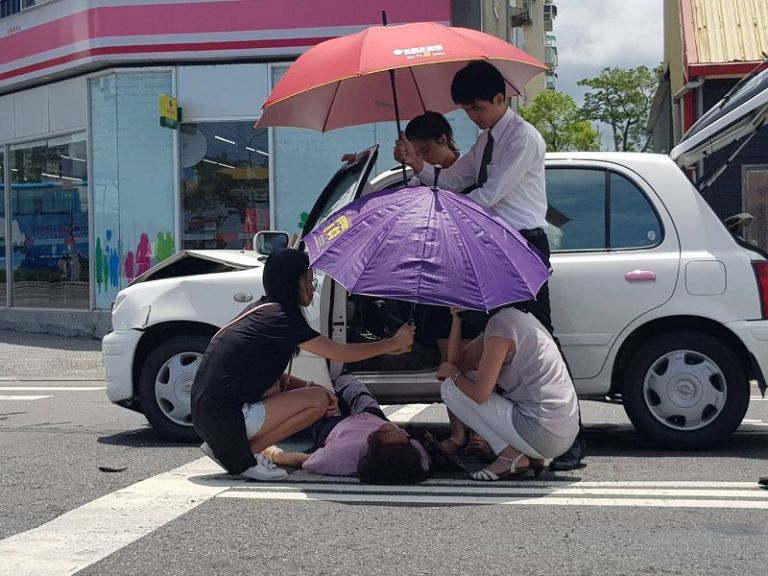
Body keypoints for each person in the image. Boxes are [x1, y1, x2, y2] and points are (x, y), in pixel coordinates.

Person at [394, 60, 587, 470]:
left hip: (521, 245)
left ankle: (569, 441)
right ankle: (514, 435)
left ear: (502, 98)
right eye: (466, 110)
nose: (472, 117)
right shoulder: (487, 140)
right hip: (493, 245)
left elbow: (489, 195)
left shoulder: (522, 139)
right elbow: (454, 177)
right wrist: (416, 166)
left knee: (539, 337)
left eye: (477, 108)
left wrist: (446, 210)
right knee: (501, 340)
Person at [191, 248, 415, 481]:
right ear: (291, 283)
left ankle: (227, 448)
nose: (313, 286)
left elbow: (277, 380)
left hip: (211, 416)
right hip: (225, 416)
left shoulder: (264, 310)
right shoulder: (281, 319)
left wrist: (319, 390)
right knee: (317, 402)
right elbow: (338, 352)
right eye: (308, 279)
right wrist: (391, 344)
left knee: (320, 395)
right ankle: (242, 458)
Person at [437, 305, 579, 481]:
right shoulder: (515, 318)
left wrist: (455, 375)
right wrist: (456, 320)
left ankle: (510, 456)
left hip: (544, 433)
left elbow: (479, 393)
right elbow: (458, 362)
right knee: (465, 377)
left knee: (450, 389)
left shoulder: (500, 328)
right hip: (562, 430)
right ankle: (531, 456)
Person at [262, 373, 430, 484]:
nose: (392, 427)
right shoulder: (416, 454)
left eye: (386, 433)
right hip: (371, 418)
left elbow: (302, 460)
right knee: (349, 384)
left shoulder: (340, 455)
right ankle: (336, 377)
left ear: (370, 448)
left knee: (317, 400)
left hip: (334, 428)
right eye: (400, 433)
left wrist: (272, 453)